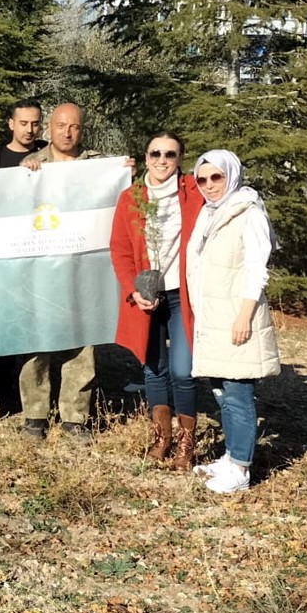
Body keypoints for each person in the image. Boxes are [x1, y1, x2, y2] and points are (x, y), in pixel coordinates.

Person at [185, 149, 280, 494]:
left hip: (236, 316)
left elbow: (257, 269)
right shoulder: (210, 212)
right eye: (202, 179)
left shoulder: (248, 212)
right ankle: (230, 456)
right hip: (212, 317)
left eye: (217, 177)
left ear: (232, 175)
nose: (209, 185)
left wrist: (244, 316)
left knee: (238, 393)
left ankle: (241, 468)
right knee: (221, 391)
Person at [110, 132, 203, 468]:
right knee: (154, 369)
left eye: (170, 154)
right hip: (147, 295)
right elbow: (120, 249)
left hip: (181, 295)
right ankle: (161, 437)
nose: (162, 160)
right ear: (145, 157)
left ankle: (185, 442)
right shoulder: (131, 198)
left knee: (183, 370)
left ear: (180, 159)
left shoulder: (193, 191)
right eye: (155, 154)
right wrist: (132, 289)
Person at [18, 102, 102, 441]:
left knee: (81, 343)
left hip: (83, 268)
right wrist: (25, 176)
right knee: (37, 343)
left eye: (75, 127)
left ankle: (74, 417)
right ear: (49, 128)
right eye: (61, 126)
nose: (67, 133)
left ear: (82, 130)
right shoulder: (31, 164)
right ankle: (34, 414)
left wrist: (123, 171)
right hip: (41, 270)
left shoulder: (98, 165)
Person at [0, 100, 43, 168]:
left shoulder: (48, 153)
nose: (29, 130)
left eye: (35, 124)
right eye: (23, 124)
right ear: (11, 124)